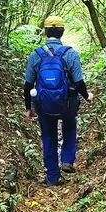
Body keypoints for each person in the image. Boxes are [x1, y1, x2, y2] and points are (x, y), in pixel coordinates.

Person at [24, 15, 92, 186]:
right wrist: (87, 96)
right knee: (69, 125)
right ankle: (67, 159)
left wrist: (28, 108)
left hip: (44, 105)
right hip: (67, 104)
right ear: (62, 32)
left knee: (48, 137)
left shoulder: (35, 55)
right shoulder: (70, 54)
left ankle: (52, 177)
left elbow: (28, 84)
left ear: (46, 32)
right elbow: (79, 82)